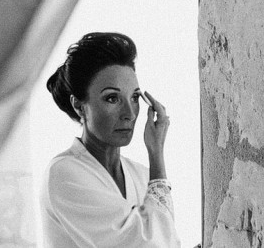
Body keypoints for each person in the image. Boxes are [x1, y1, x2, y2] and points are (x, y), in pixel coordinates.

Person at [41, 32, 181, 248]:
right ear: (79, 106)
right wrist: (157, 156)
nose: (129, 113)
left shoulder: (143, 176)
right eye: (112, 98)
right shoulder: (64, 173)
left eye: (134, 98)